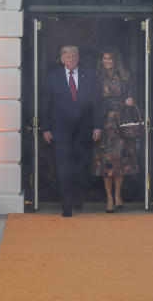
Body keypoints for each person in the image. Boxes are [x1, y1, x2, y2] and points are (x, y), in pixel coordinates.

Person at [41, 45, 102, 217]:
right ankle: (66, 204)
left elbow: (97, 102)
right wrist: (45, 128)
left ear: (78, 58)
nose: (71, 59)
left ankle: (79, 197)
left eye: (74, 56)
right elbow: (46, 104)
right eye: (68, 57)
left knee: (82, 166)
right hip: (61, 130)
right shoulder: (52, 77)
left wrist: (98, 125)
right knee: (63, 168)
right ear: (62, 59)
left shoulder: (89, 75)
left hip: (85, 129)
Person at [92, 48, 139, 213]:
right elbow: (92, 100)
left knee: (119, 160)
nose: (106, 61)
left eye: (109, 58)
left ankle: (118, 194)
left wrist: (129, 99)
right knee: (106, 162)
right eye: (104, 58)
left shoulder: (125, 77)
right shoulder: (97, 77)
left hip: (120, 121)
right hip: (104, 122)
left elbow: (131, 95)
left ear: (115, 60)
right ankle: (109, 198)